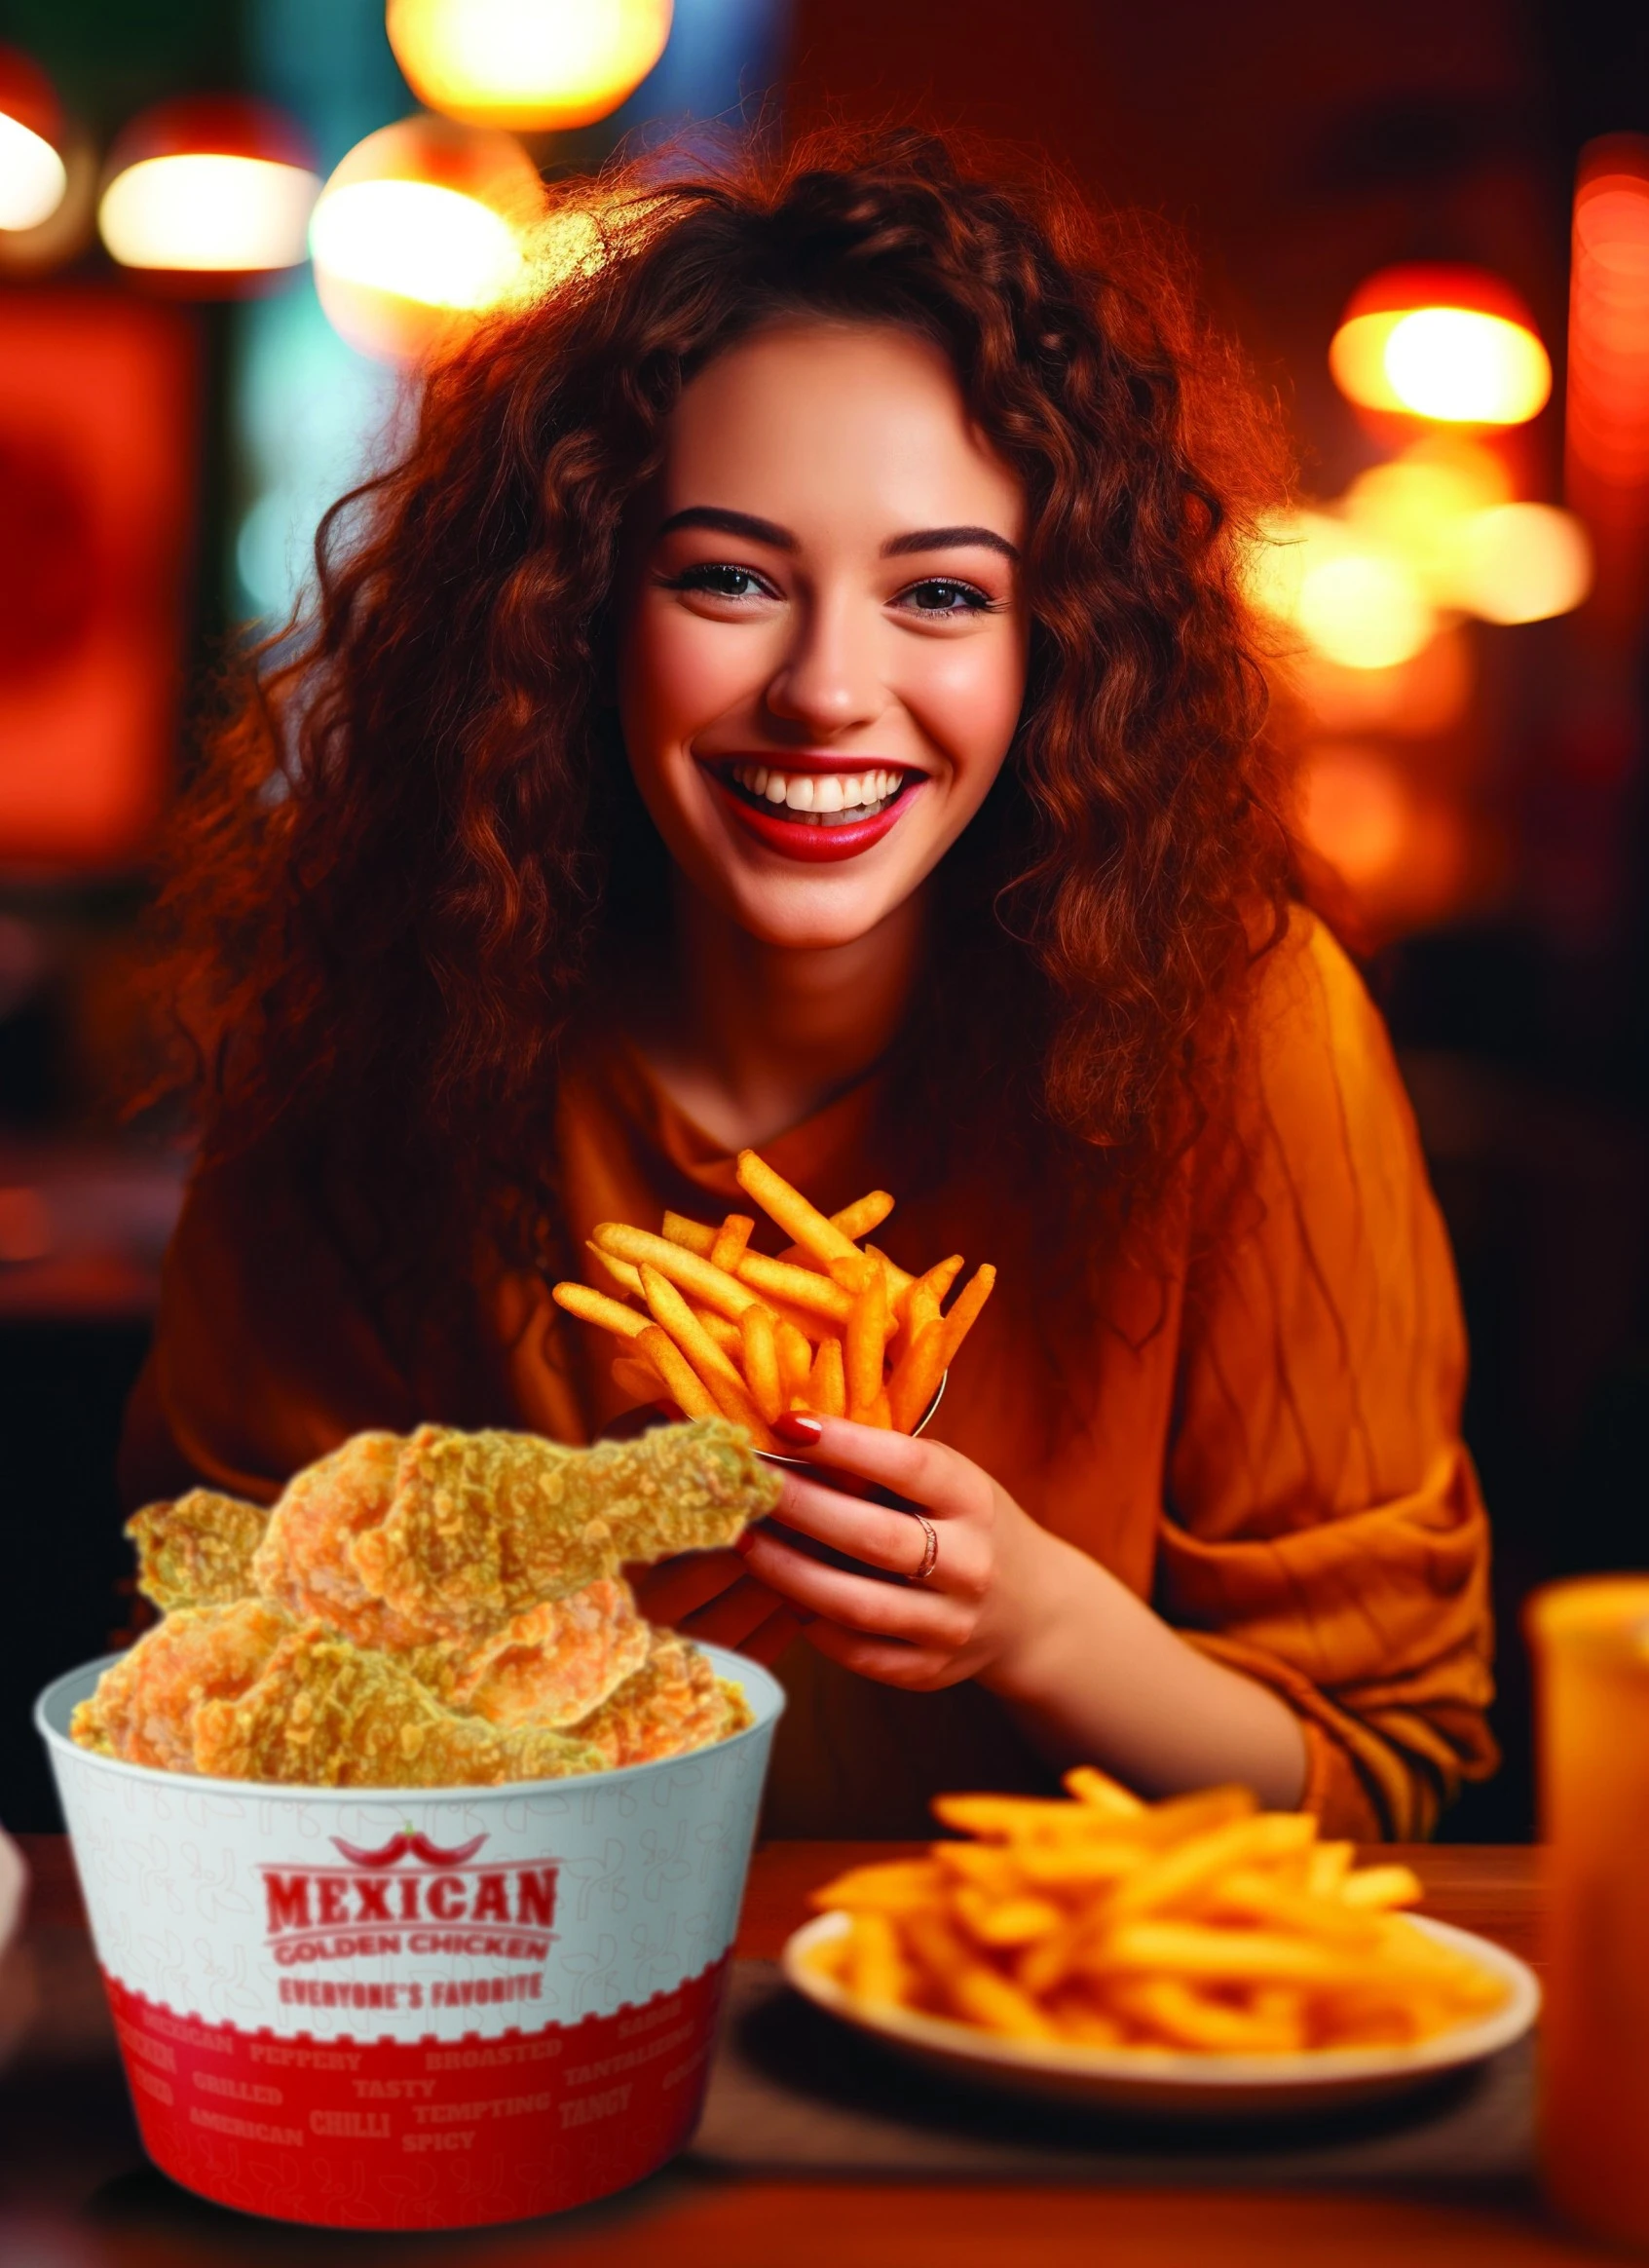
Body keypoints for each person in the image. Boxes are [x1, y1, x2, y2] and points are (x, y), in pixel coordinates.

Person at [122, 131, 1495, 1839]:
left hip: (1075, 2066)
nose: (831, 689)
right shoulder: (379, 1015)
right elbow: (201, 1682)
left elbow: (1382, 1770)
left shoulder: (1252, 1027)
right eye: (731, 579)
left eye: (939, 594)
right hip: (519, 2030)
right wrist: (546, 1632)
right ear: (577, 614)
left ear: (1053, 644)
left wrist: (1030, 1619)